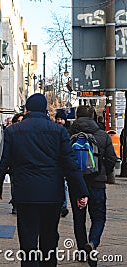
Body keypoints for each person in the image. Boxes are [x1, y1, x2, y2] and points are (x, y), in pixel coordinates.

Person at [0, 93, 89, 267]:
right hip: (52, 194)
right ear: (45, 110)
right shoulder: (58, 131)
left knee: (28, 241)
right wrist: (81, 192)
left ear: (27, 109)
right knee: (49, 238)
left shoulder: (13, 131)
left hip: (25, 193)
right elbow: (70, 164)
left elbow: (2, 161)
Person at [68, 105, 117, 266]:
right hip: (97, 183)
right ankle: (93, 243)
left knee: (78, 219)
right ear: (93, 116)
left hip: (77, 183)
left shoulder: (70, 135)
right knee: (98, 217)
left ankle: (82, 251)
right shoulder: (102, 136)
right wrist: (102, 173)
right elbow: (111, 159)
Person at [55, 110, 70, 218]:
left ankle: (63, 206)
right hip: (56, 162)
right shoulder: (54, 130)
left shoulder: (68, 131)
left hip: (64, 163)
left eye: (61, 119)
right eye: (58, 119)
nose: (59, 121)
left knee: (64, 185)